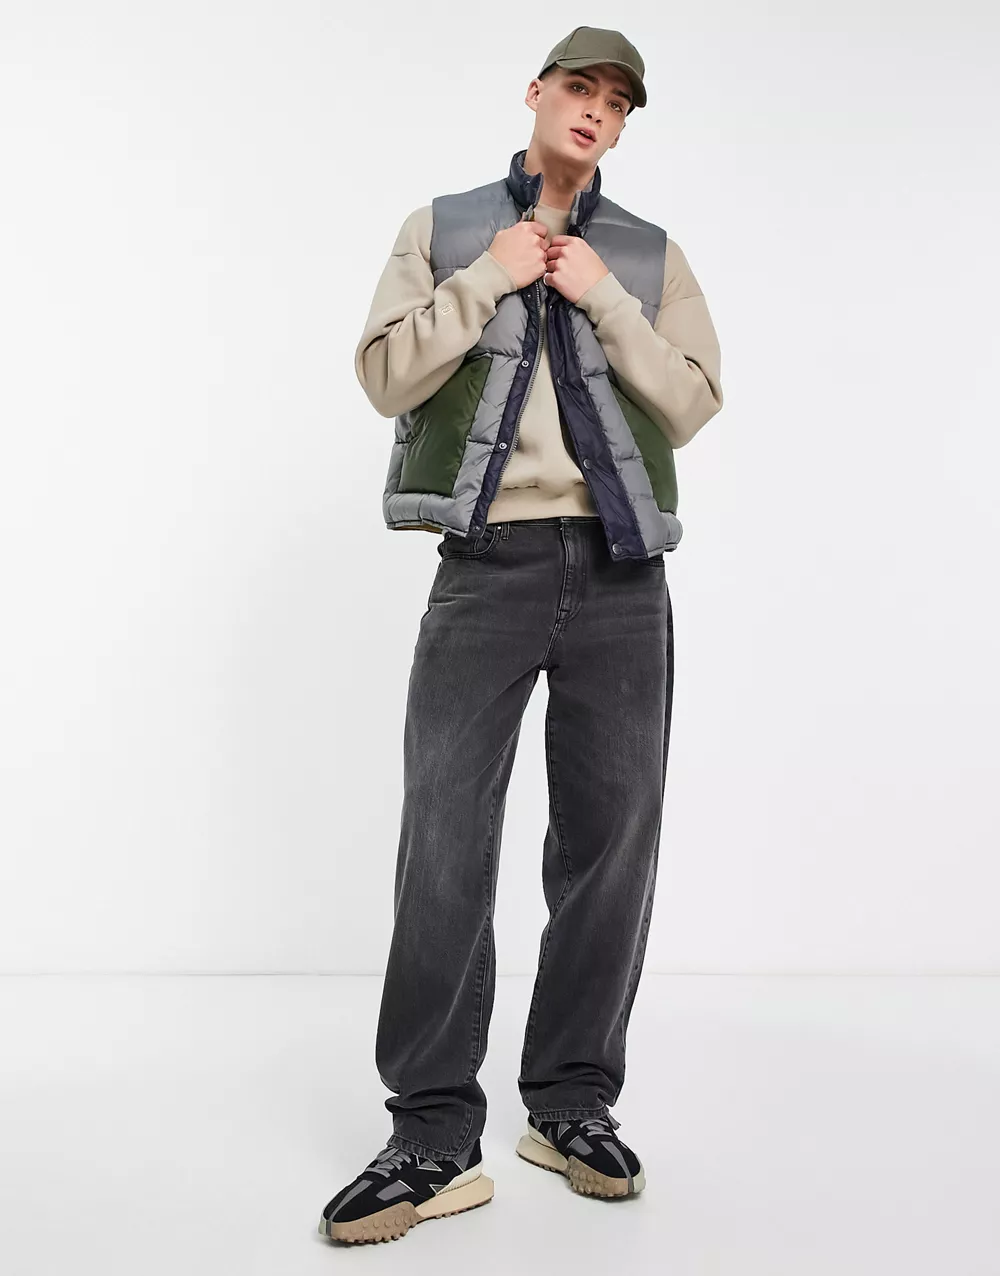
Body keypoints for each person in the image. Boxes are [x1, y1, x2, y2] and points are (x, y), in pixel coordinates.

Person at [319, 26, 724, 1245]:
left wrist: (601, 295)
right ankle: (432, 1133)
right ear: (537, 94)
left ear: (623, 123)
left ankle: (570, 1104)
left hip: (621, 574)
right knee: (444, 842)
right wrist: (488, 278)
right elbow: (383, 376)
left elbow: (693, 400)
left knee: (610, 845)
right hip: (485, 567)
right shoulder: (443, 229)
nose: (594, 110)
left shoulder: (646, 253)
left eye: (616, 101)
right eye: (578, 88)